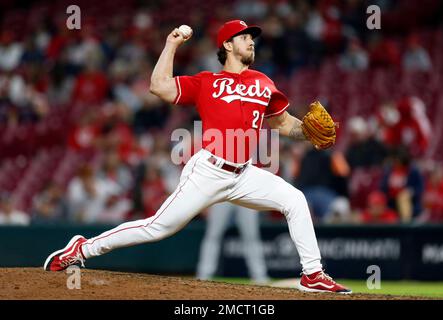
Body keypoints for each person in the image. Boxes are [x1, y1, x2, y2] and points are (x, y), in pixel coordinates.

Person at [44, 20, 351, 294]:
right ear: (227, 45)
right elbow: (158, 87)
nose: (251, 41)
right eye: (244, 37)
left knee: (294, 200)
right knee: (158, 227)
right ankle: (82, 249)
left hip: (244, 173)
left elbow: (283, 124)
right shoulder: (207, 82)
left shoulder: (263, 82)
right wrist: (171, 44)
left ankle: (313, 274)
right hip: (209, 171)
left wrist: (309, 132)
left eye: (252, 37)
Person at [196, 202, 269, 284]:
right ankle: (203, 275)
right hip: (224, 195)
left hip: (245, 194)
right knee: (213, 236)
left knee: (252, 237)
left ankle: (260, 276)